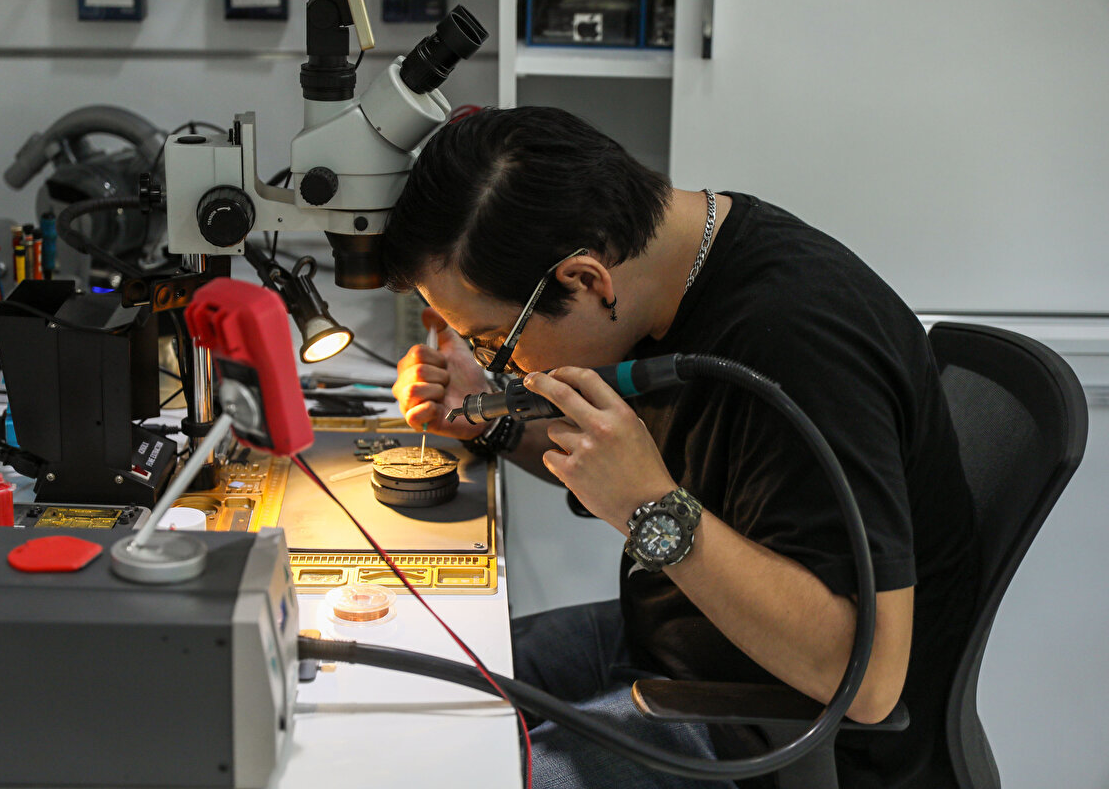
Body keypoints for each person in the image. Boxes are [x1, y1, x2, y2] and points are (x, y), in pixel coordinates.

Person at [381, 106, 979, 789]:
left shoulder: (799, 342)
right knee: (413, 688)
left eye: (495, 342)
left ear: (583, 281)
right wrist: (496, 424)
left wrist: (646, 505)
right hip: (678, 639)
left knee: (452, 772)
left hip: (782, 730)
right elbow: (633, 460)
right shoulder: (669, 277)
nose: (504, 371)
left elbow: (867, 683)